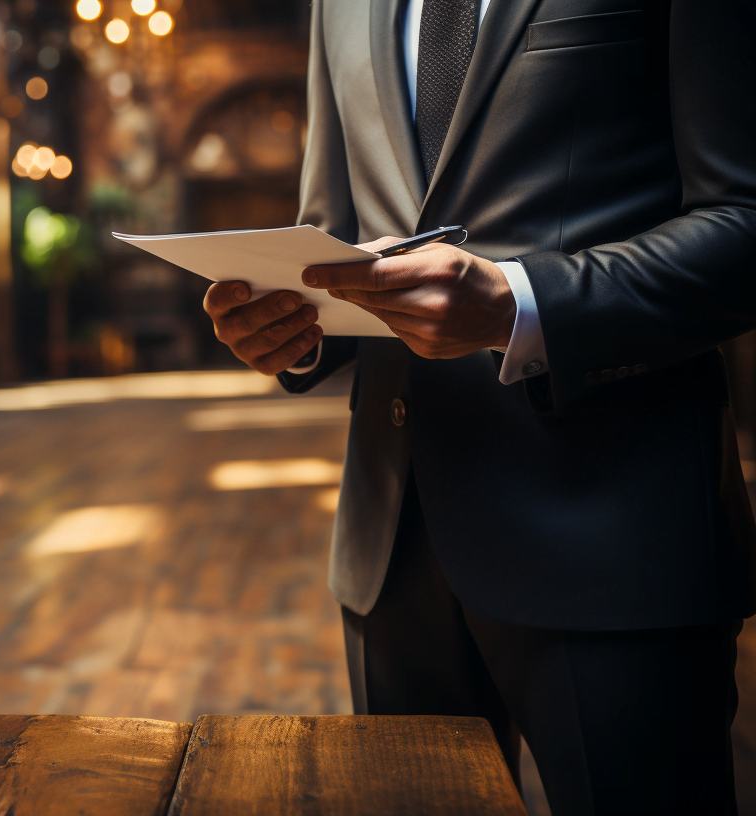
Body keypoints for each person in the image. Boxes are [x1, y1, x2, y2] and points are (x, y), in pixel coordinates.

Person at [203, 0, 756, 812]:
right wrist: (292, 329)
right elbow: (337, 232)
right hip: (390, 547)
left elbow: (743, 217)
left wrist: (522, 306)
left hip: (612, 538)